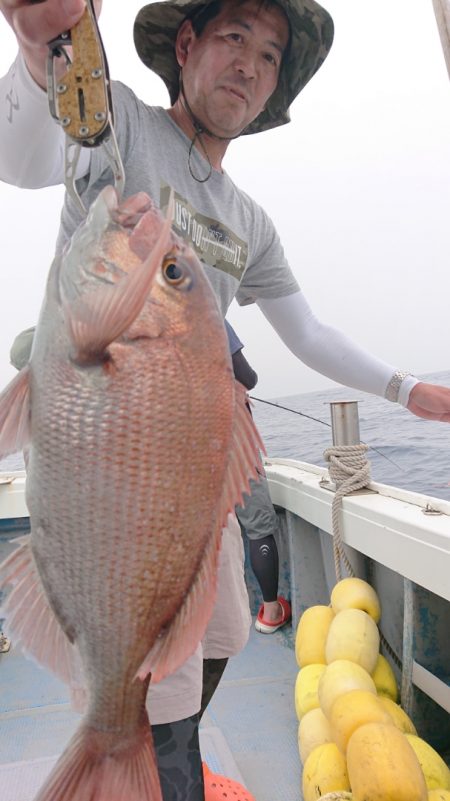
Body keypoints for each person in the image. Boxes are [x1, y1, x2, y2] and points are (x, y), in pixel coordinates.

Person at [2, 2, 450, 799]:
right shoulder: (126, 127)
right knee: (152, 701)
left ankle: (161, 741)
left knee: (226, 631)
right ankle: (143, 754)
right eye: (233, 38)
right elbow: (26, 156)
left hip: (186, 485)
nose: (251, 63)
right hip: (104, 479)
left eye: (271, 54)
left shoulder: (250, 218)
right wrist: (40, 58)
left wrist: (407, 390)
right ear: (187, 46)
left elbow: (305, 331)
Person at [225, 319, 291, 633]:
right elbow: (246, 375)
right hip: (231, 440)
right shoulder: (203, 307)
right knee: (257, 526)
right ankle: (270, 610)